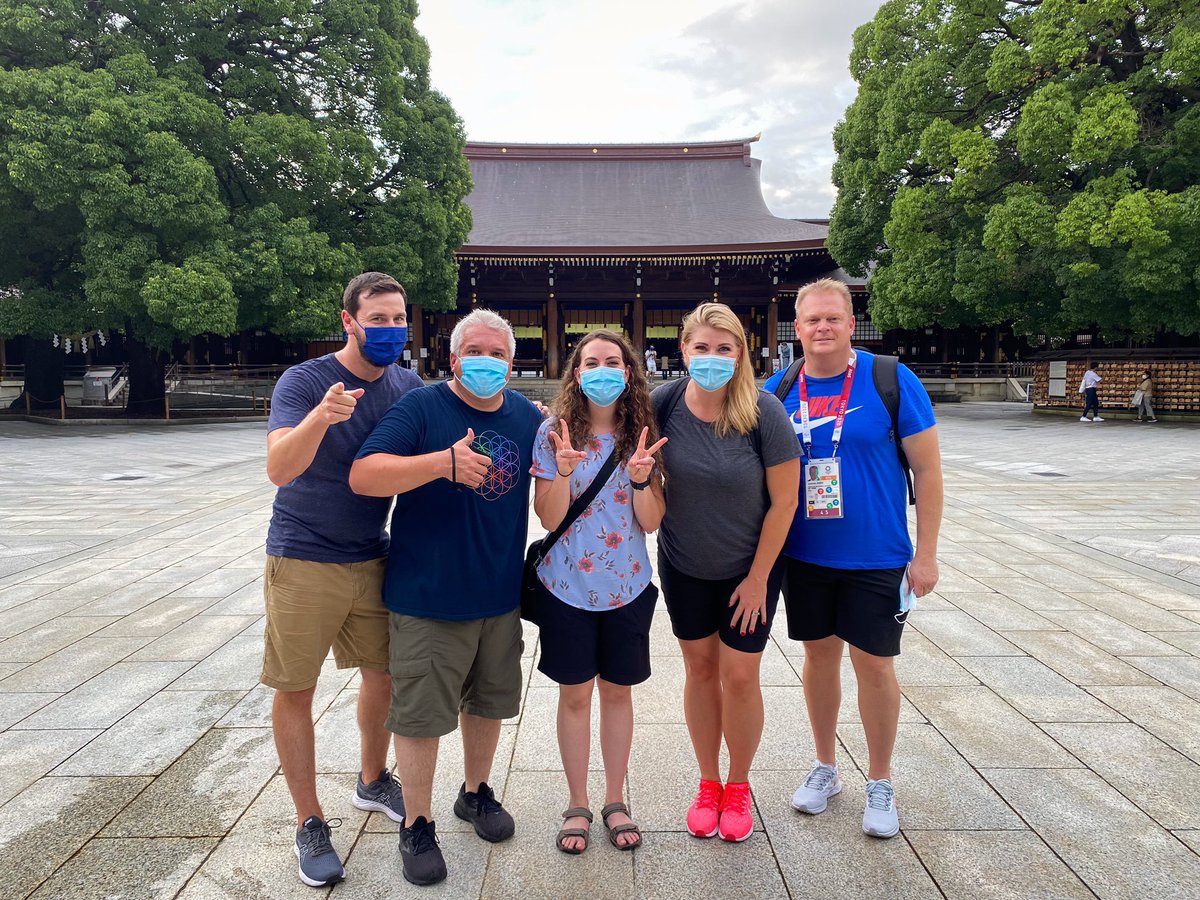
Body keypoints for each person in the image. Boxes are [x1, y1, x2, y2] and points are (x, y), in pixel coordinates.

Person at [348, 309, 543, 886]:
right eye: (476, 352)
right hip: (428, 594)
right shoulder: (423, 408)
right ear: (454, 358)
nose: (488, 362)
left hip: (498, 592)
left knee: (488, 702)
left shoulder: (524, 416)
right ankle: (416, 820)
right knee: (421, 714)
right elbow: (364, 474)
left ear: (512, 362)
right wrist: (441, 464)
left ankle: (476, 792)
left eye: (499, 354)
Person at [763, 278, 942, 840]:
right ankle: (825, 765)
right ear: (798, 326)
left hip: (877, 554)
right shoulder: (779, 387)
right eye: (812, 319)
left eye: (833, 319)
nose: (822, 328)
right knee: (818, 660)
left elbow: (929, 472)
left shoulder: (888, 378)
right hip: (806, 553)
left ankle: (881, 780)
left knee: (875, 665)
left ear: (849, 321)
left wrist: (927, 553)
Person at [262, 272, 421, 887]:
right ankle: (309, 822)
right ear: (348, 321)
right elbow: (280, 467)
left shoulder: (406, 386)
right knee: (295, 687)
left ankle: (372, 778)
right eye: (377, 319)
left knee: (385, 674)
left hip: (372, 554)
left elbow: (447, 433)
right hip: (304, 554)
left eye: (398, 318)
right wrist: (320, 420)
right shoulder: (304, 381)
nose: (390, 330)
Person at [651, 302, 800, 843]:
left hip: (749, 568)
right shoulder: (663, 404)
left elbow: (785, 502)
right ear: (683, 350)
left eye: (724, 348)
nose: (712, 358)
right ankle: (707, 780)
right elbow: (626, 455)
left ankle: (739, 783)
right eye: (701, 348)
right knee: (700, 670)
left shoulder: (763, 411)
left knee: (740, 675)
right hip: (685, 562)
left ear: (740, 353)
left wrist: (760, 577)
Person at [530, 329, 667, 855]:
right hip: (567, 587)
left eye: (613, 361)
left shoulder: (644, 434)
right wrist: (563, 471)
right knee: (574, 695)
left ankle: (615, 799)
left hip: (627, 586)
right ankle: (577, 801)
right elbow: (547, 516)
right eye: (592, 362)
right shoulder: (553, 433)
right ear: (577, 373)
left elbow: (652, 523)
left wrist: (639, 480)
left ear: (628, 372)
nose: (603, 370)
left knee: (617, 693)